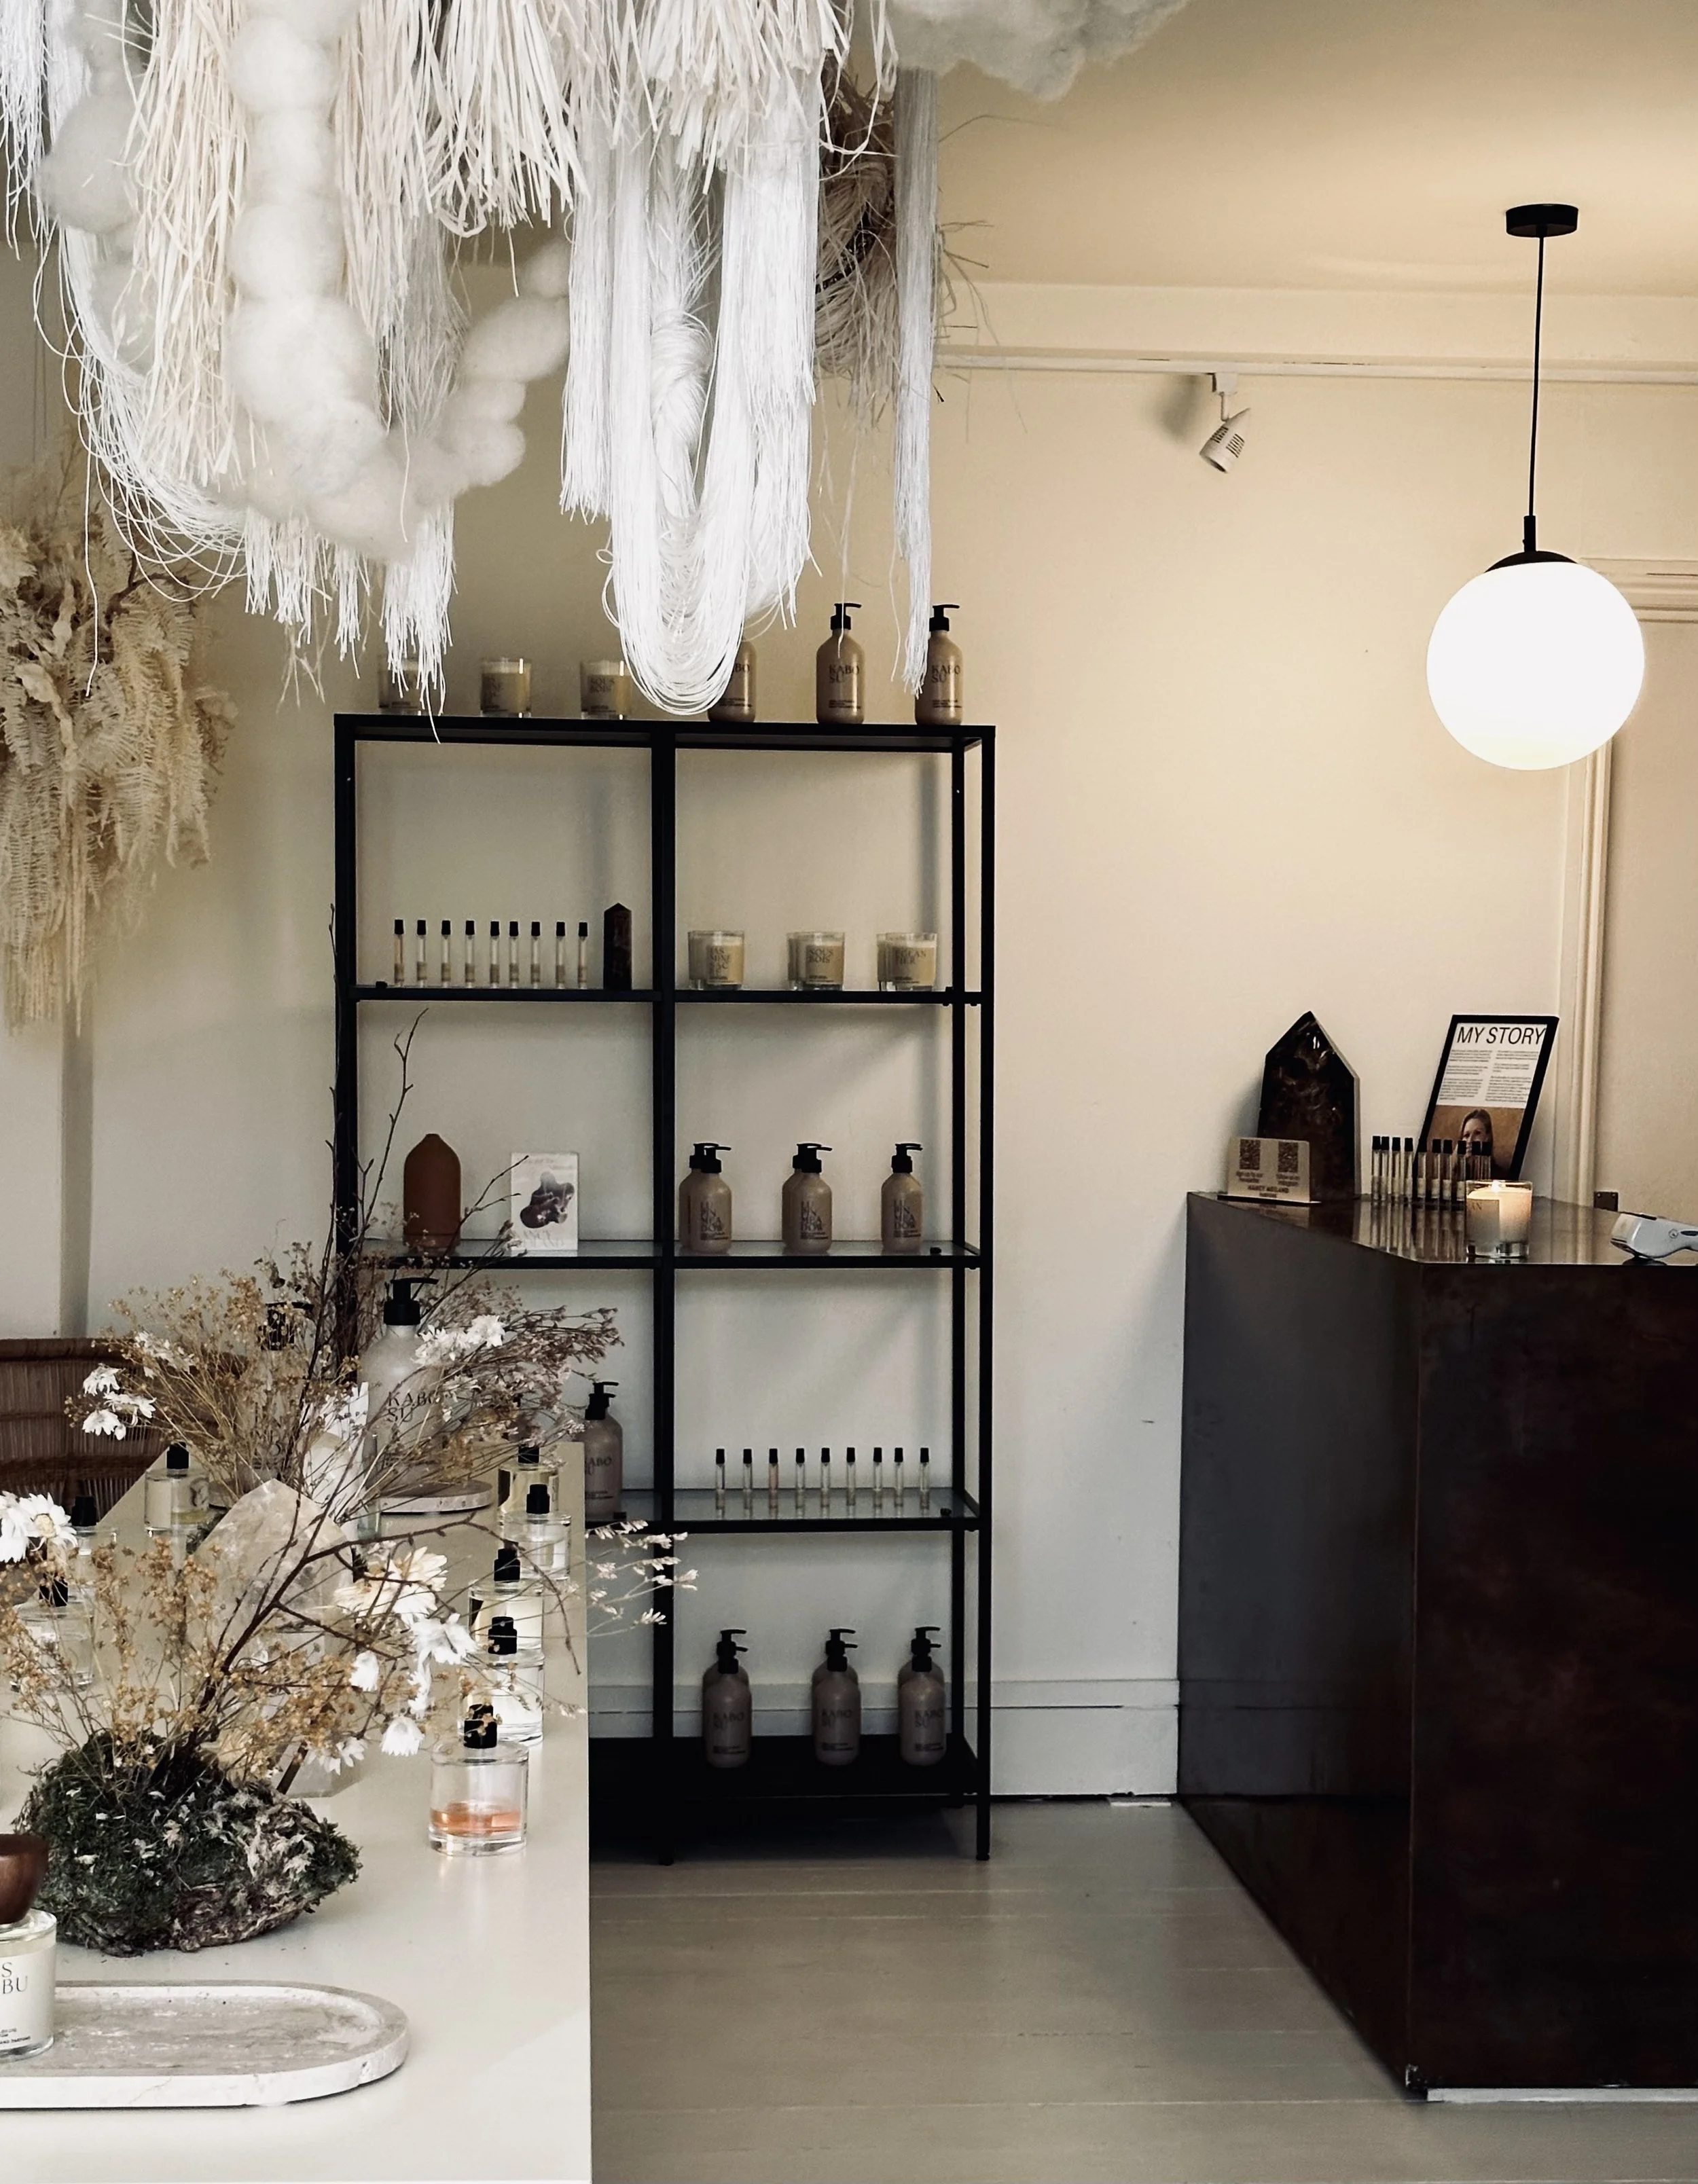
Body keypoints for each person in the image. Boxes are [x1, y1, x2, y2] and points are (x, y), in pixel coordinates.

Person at [1459, 1110, 1495, 1174]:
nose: (1470, 1140)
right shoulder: (1453, 1174)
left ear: (1488, 1137)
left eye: (1477, 1133)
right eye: (1467, 1135)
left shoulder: (1499, 1175)